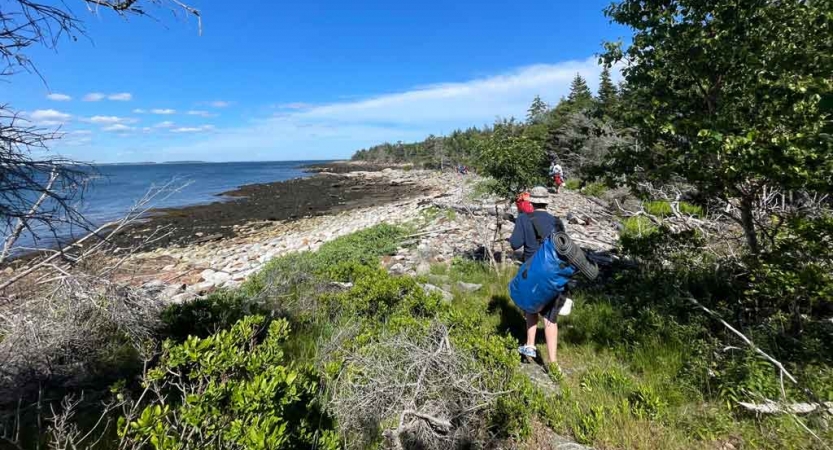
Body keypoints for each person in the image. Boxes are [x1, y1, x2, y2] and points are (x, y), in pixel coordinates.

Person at [508, 186, 567, 369]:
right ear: (547, 202)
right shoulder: (556, 222)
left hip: (531, 271)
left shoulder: (523, 218)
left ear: (531, 201)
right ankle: (553, 362)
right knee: (550, 317)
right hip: (551, 272)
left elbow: (515, 244)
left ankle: (530, 345)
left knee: (530, 308)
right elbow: (563, 248)